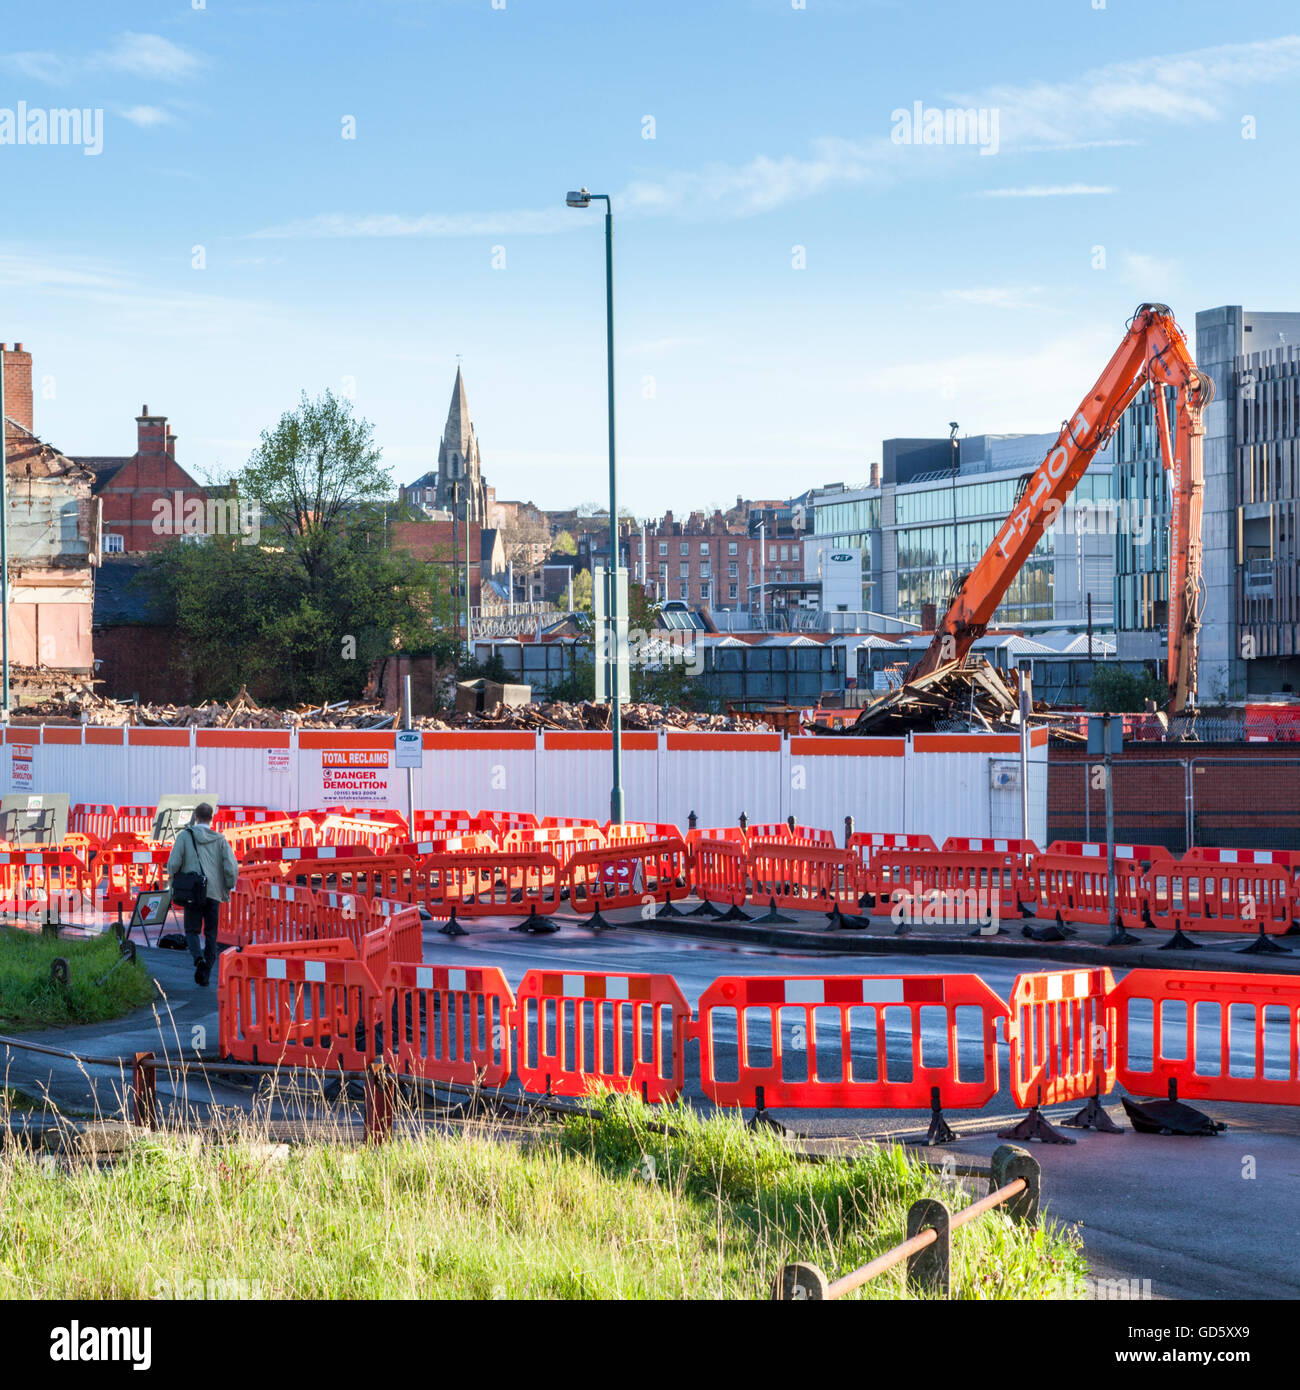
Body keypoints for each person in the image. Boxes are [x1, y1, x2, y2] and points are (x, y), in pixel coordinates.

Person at [167, 803, 238, 986]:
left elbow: (173, 863)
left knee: (192, 930)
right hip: (213, 892)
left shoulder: (185, 836)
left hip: (193, 891)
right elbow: (231, 867)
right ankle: (208, 967)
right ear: (211, 818)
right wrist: (228, 885)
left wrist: (174, 876)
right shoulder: (220, 839)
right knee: (211, 933)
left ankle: (198, 959)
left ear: (195, 817)